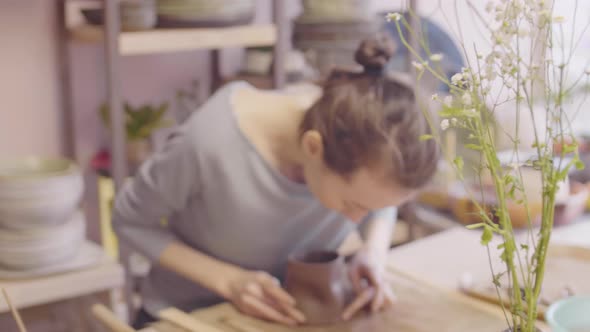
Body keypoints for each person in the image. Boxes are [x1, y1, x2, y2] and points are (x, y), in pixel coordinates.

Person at [112, 35, 439, 329]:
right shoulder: (210, 143)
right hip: (185, 317)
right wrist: (229, 281)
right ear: (313, 148)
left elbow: (379, 203)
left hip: (279, 317)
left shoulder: (366, 130)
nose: (356, 220)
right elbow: (130, 220)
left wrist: (373, 252)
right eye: (354, 205)